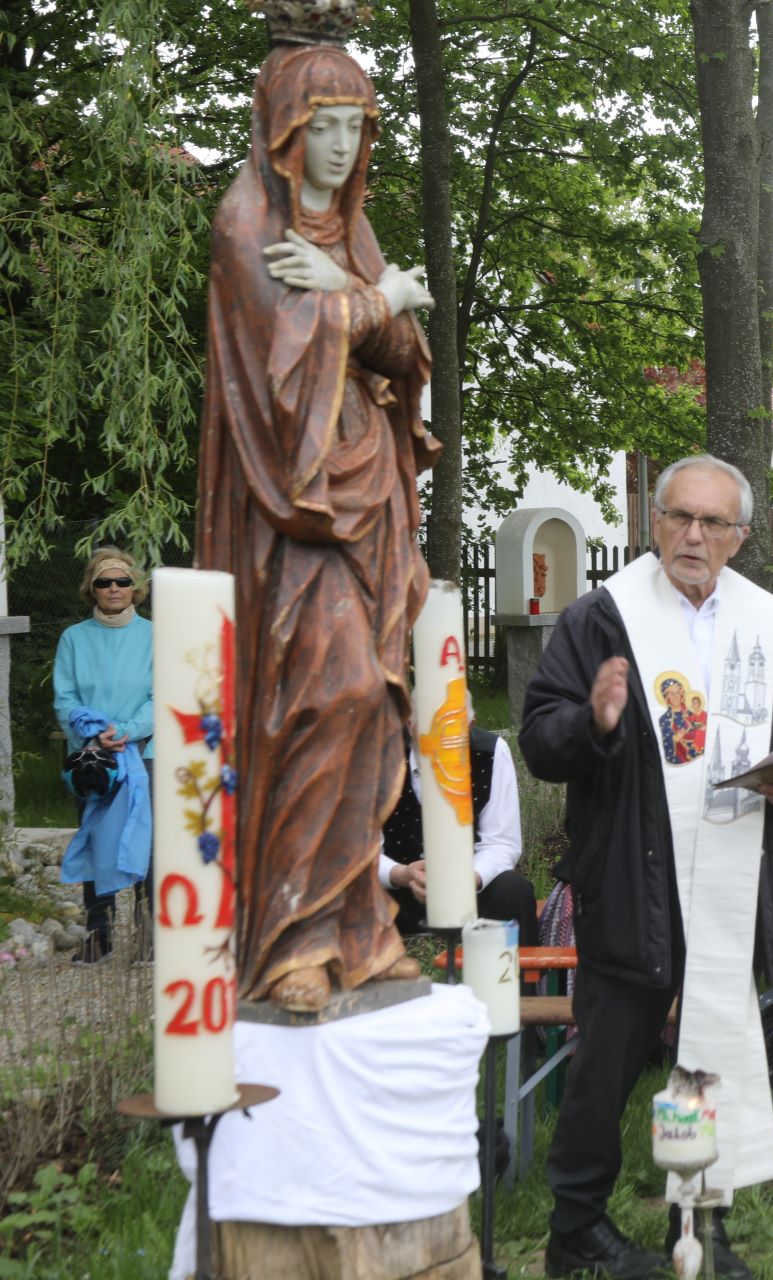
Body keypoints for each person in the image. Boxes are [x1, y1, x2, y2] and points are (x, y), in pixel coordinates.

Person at [523, 454, 773, 1280]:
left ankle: (696, 1222)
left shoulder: (769, 623)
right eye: (679, 518)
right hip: (633, 883)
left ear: (739, 536)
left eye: (713, 523)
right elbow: (540, 739)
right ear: (653, 523)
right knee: (607, 1067)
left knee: (703, 1061)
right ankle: (575, 1228)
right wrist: (592, 721)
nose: (694, 535)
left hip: (727, 885)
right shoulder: (603, 618)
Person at [197, 38, 439, 1012]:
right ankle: (290, 935)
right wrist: (372, 302)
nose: (341, 147)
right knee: (326, 693)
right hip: (292, 510)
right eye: (321, 127)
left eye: (356, 127)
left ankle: (355, 926)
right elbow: (280, 364)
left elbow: (400, 347)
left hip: (368, 496)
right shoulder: (242, 222)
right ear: (284, 135)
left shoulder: (352, 230)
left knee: (372, 708)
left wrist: (360, 300)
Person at [52, 547, 155, 963]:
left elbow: (162, 693)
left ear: (136, 588)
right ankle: (99, 937)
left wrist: (127, 731)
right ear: (91, 590)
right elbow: (65, 698)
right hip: (92, 756)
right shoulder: (73, 639)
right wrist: (95, 735)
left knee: (150, 843)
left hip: (145, 752)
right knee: (96, 839)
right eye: (104, 582)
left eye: (122, 582)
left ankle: (150, 935)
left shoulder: (155, 636)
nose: (114, 589)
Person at [378, 712, 537, 947]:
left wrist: (466, 879)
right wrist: (402, 874)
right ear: (409, 725)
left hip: (470, 889)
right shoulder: (378, 755)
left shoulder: (491, 753)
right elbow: (358, 852)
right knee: (343, 896)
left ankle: (510, 981)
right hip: (396, 890)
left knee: (513, 892)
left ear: (470, 726)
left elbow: (501, 842)